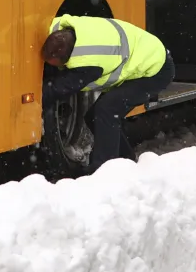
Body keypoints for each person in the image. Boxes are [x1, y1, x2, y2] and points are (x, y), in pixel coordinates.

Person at [42, 14, 175, 171]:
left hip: (155, 70)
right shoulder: (59, 26)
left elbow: (60, 88)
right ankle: (128, 162)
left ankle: (104, 171)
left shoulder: (89, 63)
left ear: (65, 58)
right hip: (143, 55)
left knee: (107, 110)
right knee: (94, 116)